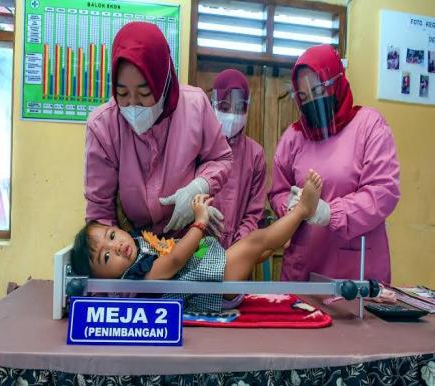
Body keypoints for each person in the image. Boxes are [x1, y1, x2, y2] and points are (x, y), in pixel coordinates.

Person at [72, 171, 323, 313]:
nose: (116, 247)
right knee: (256, 240)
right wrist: (199, 222)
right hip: (213, 287)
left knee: (257, 249)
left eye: (112, 236)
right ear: (102, 278)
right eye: (106, 257)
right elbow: (175, 259)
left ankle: (284, 234)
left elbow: (170, 254)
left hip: (209, 275)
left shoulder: (138, 249)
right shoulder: (137, 279)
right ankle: (302, 211)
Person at [84, 22, 232, 239]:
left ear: (163, 82)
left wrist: (199, 186)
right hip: (133, 242)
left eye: (144, 93)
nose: (133, 104)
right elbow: (100, 211)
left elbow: (221, 159)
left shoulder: (195, 106)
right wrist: (119, 257)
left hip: (190, 237)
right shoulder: (103, 126)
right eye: (122, 93)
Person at [268, 44, 400, 283]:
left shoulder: (369, 126)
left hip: (353, 270)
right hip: (303, 268)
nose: (313, 103)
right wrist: (289, 205)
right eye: (304, 97)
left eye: (319, 91)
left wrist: (329, 213)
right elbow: (277, 191)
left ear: (336, 81)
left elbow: (383, 192)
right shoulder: (294, 137)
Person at [210, 69, 267, 248]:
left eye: (240, 108)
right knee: (202, 273)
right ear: (214, 104)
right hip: (201, 246)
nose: (233, 116)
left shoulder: (255, 155)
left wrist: (237, 247)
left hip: (239, 248)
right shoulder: (201, 148)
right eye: (225, 108)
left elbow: (254, 213)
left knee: (233, 274)